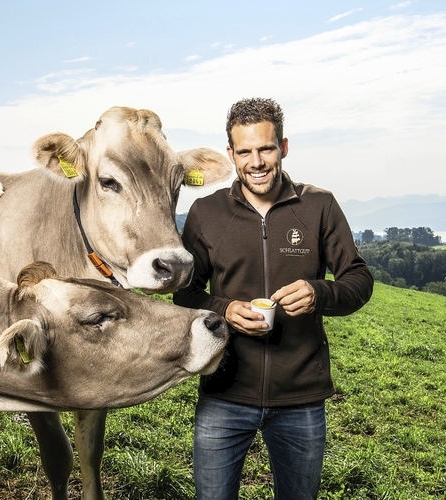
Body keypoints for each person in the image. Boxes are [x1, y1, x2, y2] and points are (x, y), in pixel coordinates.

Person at [173, 97, 374, 499]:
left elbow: (359, 279)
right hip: (223, 394)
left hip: (301, 398)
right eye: (244, 151)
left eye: (265, 148)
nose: (256, 161)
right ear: (231, 155)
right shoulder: (205, 213)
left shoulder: (319, 206)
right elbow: (186, 292)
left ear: (283, 147)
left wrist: (320, 293)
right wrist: (225, 308)